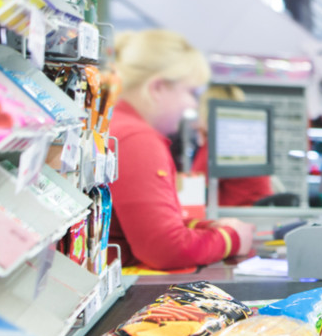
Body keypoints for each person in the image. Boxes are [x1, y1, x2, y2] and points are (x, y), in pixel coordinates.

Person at [109, 30, 256, 270]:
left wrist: (207, 228)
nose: (192, 105)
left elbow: (149, 227)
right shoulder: (137, 139)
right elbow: (165, 248)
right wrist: (232, 239)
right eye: (190, 92)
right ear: (157, 87)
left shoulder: (118, 126)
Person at [190, 84, 275, 206]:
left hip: (234, 215)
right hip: (256, 212)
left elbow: (193, 190)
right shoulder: (249, 142)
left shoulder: (217, 146)